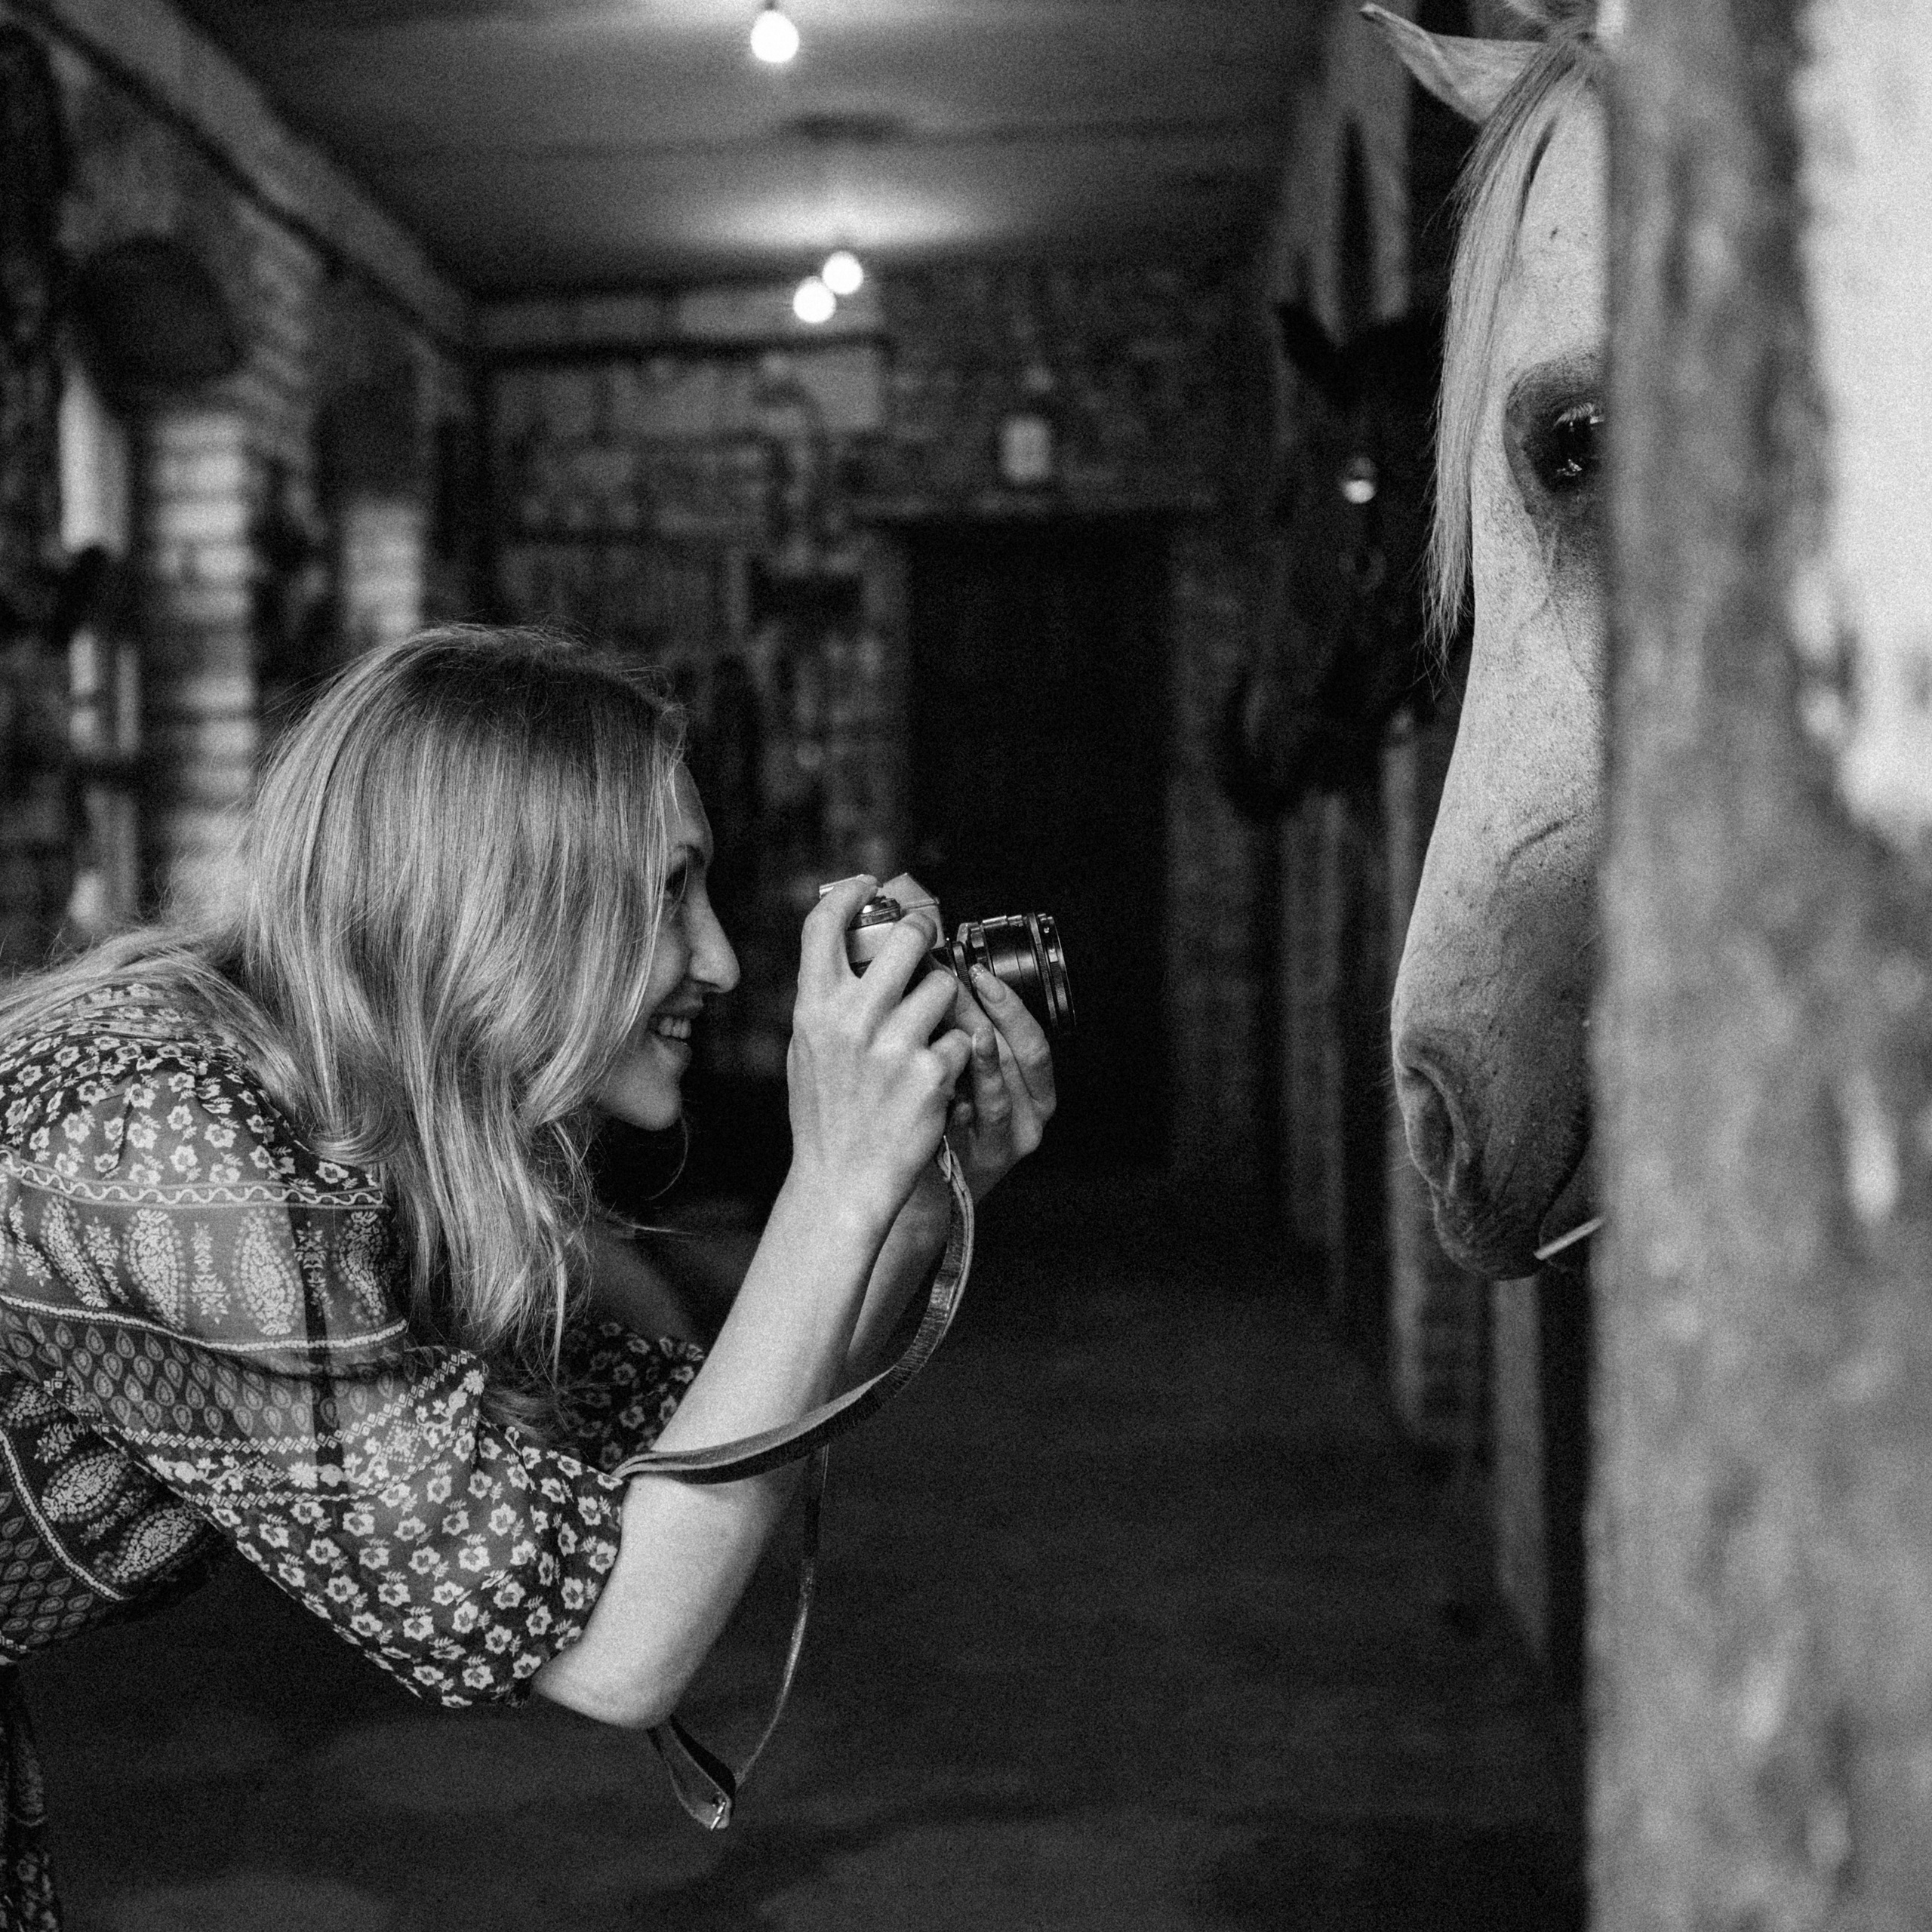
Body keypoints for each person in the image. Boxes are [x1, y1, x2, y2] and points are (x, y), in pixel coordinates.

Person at [0, 625, 1055, 1928]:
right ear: (504, 908)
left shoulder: (358, 1124)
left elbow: (674, 1455)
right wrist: (829, 1190)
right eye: (669, 892)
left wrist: (899, 1223)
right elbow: (618, 1652)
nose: (721, 961)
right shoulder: (162, 1144)